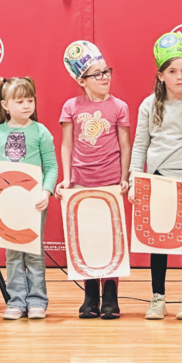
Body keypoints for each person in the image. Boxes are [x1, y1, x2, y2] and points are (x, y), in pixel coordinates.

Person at [129, 32, 182, 320]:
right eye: (172, 72)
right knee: (158, 242)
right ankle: (158, 296)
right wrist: (134, 180)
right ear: (161, 75)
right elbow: (140, 145)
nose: (179, 77)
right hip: (156, 180)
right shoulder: (148, 106)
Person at [55, 40, 131, 319]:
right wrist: (67, 178)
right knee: (86, 238)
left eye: (106, 71)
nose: (105, 77)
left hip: (110, 182)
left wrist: (124, 177)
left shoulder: (119, 107)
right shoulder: (71, 106)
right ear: (82, 80)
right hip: (81, 183)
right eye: (97, 74)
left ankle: (110, 295)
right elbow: (66, 144)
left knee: (112, 238)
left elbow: (125, 144)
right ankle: (90, 295)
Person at [0, 77, 58, 321]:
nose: (26, 105)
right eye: (20, 101)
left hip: (33, 203)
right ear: (5, 105)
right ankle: (16, 300)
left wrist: (46, 191)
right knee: (13, 252)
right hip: (6, 203)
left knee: (33, 251)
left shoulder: (40, 131)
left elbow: (51, 166)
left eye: (30, 100)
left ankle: (37, 301)